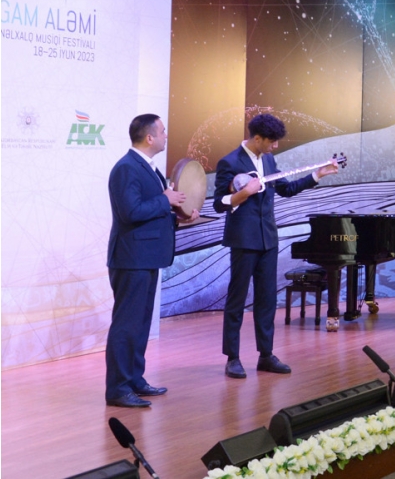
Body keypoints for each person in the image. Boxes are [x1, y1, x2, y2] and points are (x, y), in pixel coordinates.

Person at [214, 113, 338, 379]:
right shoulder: (230, 162)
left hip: (268, 239)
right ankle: (233, 358)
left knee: (267, 299)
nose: (275, 146)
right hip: (243, 241)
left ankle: (266, 355)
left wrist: (317, 175)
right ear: (258, 138)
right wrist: (243, 193)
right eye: (272, 141)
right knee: (237, 299)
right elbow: (218, 204)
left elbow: (286, 189)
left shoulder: (269, 160)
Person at [106, 114, 197, 408]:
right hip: (131, 258)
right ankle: (118, 389)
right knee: (126, 325)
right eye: (163, 131)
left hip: (146, 257)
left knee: (141, 323)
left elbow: (150, 211)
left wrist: (178, 218)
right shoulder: (126, 168)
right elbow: (130, 212)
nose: (166, 135)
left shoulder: (148, 167)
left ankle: (134, 379)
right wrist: (165, 200)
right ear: (149, 137)